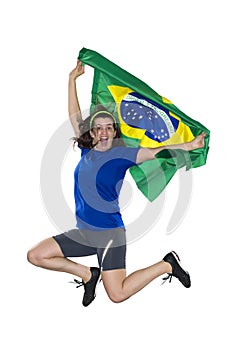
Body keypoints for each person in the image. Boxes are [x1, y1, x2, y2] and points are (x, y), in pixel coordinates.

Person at [27, 60, 206, 306]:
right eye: (98, 128)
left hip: (109, 234)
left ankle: (167, 264)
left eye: (108, 128)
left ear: (114, 132)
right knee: (36, 255)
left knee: (117, 294)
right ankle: (88, 274)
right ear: (91, 132)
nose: (103, 132)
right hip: (84, 232)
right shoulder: (85, 152)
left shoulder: (122, 154)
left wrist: (187, 145)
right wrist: (72, 80)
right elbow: (74, 115)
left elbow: (156, 150)